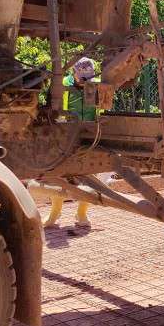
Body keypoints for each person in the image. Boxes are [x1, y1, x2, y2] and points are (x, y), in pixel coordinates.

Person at [46, 57, 99, 228]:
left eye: (88, 78)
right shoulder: (62, 84)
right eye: (82, 78)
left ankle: (82, 214)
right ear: (74, 72)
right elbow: (52, 109)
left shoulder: (96, 84)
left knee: (89, 176)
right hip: (65, 135)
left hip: (89, 134)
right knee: (58, 175)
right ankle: (55, 214)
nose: (85, 81)